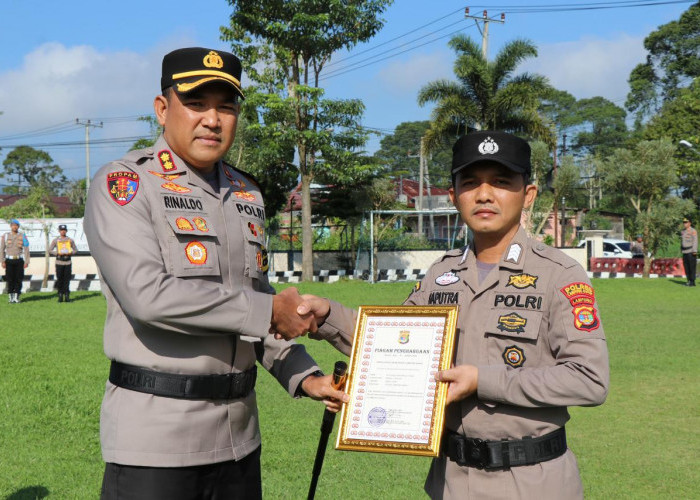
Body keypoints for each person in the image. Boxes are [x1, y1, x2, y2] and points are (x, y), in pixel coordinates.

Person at [84, 47, 346, 500]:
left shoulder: (246, 194)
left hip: (240, 443)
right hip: (156, 445)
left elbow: (254, 300)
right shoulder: (125, 184)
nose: (213, 119)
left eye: (226, 107)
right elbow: (148, 296)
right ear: (163, 109)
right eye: (197, 103)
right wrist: (268, 311)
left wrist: (304, 376)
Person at [298, 131, 610, 499]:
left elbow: (589, 379)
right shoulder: (439, 275)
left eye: (502, 182)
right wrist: (326, 315)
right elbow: (388, 343)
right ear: (453, 195)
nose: (484, 194)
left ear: (528, 194)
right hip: (452, 481)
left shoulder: (559, 274)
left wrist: (484, 380)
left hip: (533, 482)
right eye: (470, 182)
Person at [1, 219, 30, 303]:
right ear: (10, 226)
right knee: (10, 279)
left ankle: (17, 296)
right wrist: (2, 261)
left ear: (18, 226)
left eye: (16, 225)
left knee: (18, 279)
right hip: (9, 260)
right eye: (13, 225)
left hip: (19, 260)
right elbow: (2, 249)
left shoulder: (23, 236)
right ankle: (11, 297)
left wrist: (27, 261)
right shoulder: (5, 236)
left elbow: (26, 248)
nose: (14, 227)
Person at [49, 224, 78, 302]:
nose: (63, 231)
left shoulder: (70, 240)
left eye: (64, 230)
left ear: (66, 231)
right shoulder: (56, 240)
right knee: (60, 279)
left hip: (68, 262)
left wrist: (70, 253)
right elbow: (50, 250)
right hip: (59, 262)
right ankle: (60, 296)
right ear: (59, 231)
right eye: (61, 230)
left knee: (67, 279)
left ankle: (67, 296)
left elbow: (75, 250)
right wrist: (57, 253)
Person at [681, 217, 697, 286]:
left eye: (686, 222)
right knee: (686, 267)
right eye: (684, 222)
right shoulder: (683, 231)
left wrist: (694, 250)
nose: (684, 224)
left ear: (690, 223)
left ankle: (692, 281)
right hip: (684, 251)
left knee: (692, 267)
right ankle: (689, 280)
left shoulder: (693, 231)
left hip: (691, 251)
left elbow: (695, 241)